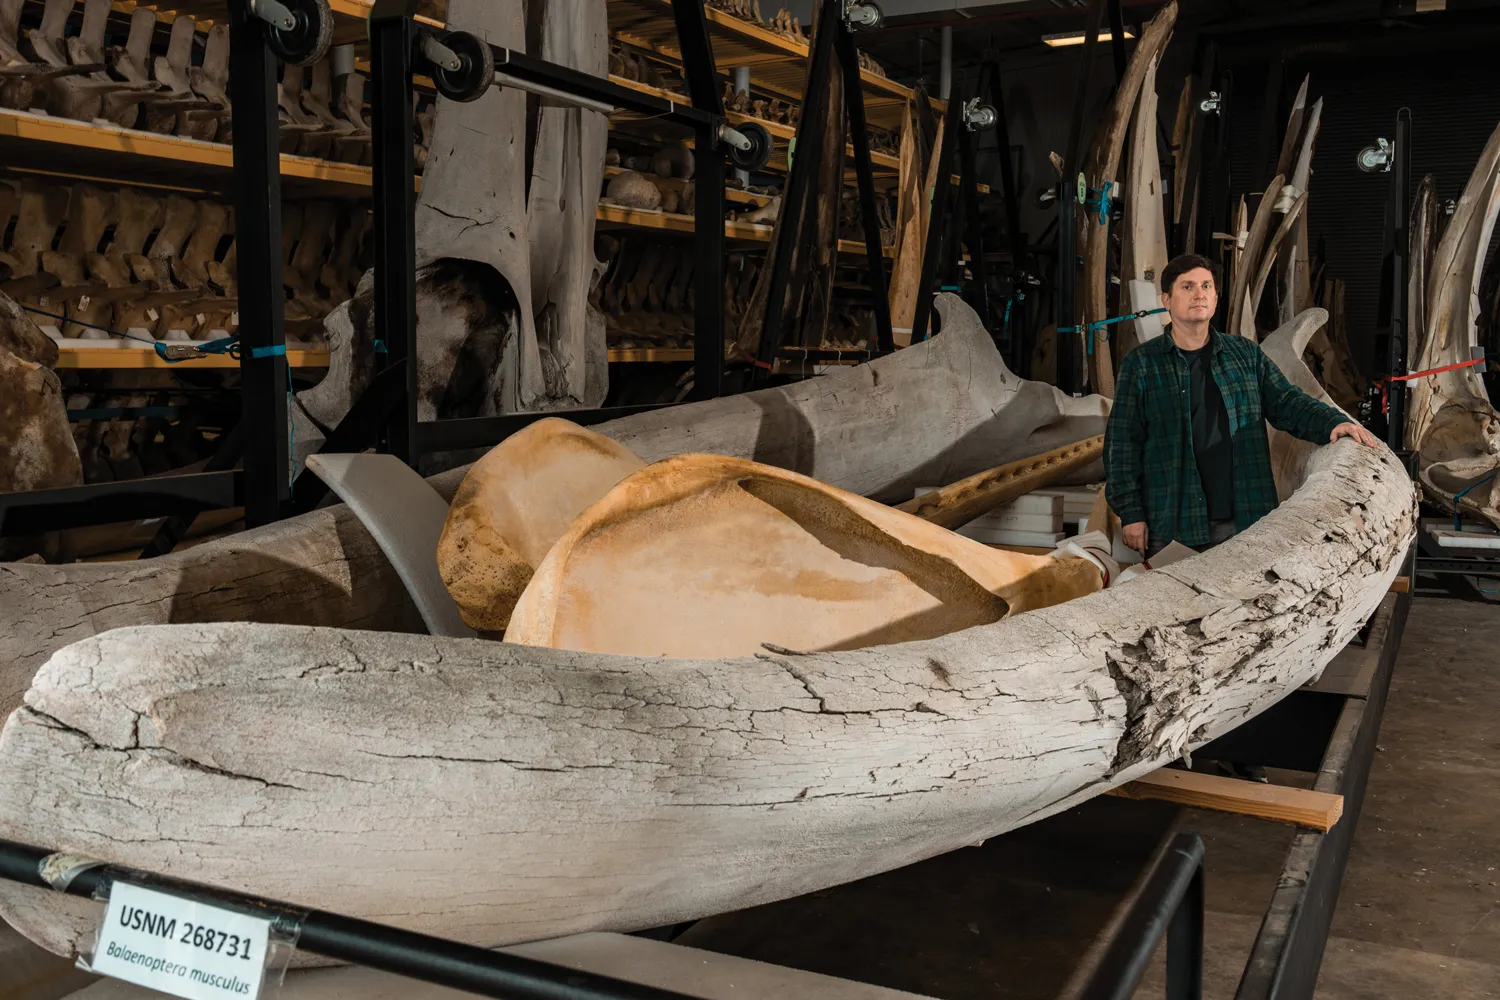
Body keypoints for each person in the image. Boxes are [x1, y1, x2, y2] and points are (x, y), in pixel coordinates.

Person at [1105, 253, 1380, 563]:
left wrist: (1332, 421)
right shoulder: (1142, 365)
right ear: (1166, 299)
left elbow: (1286, 401)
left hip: (1243, 520)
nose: (1199, 294)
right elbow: (1122, 445)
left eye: (1206, 286)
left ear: (1215, 296)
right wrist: (1131, 513)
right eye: (1188, 287)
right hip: (1172, 524)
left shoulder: (1244, 354)